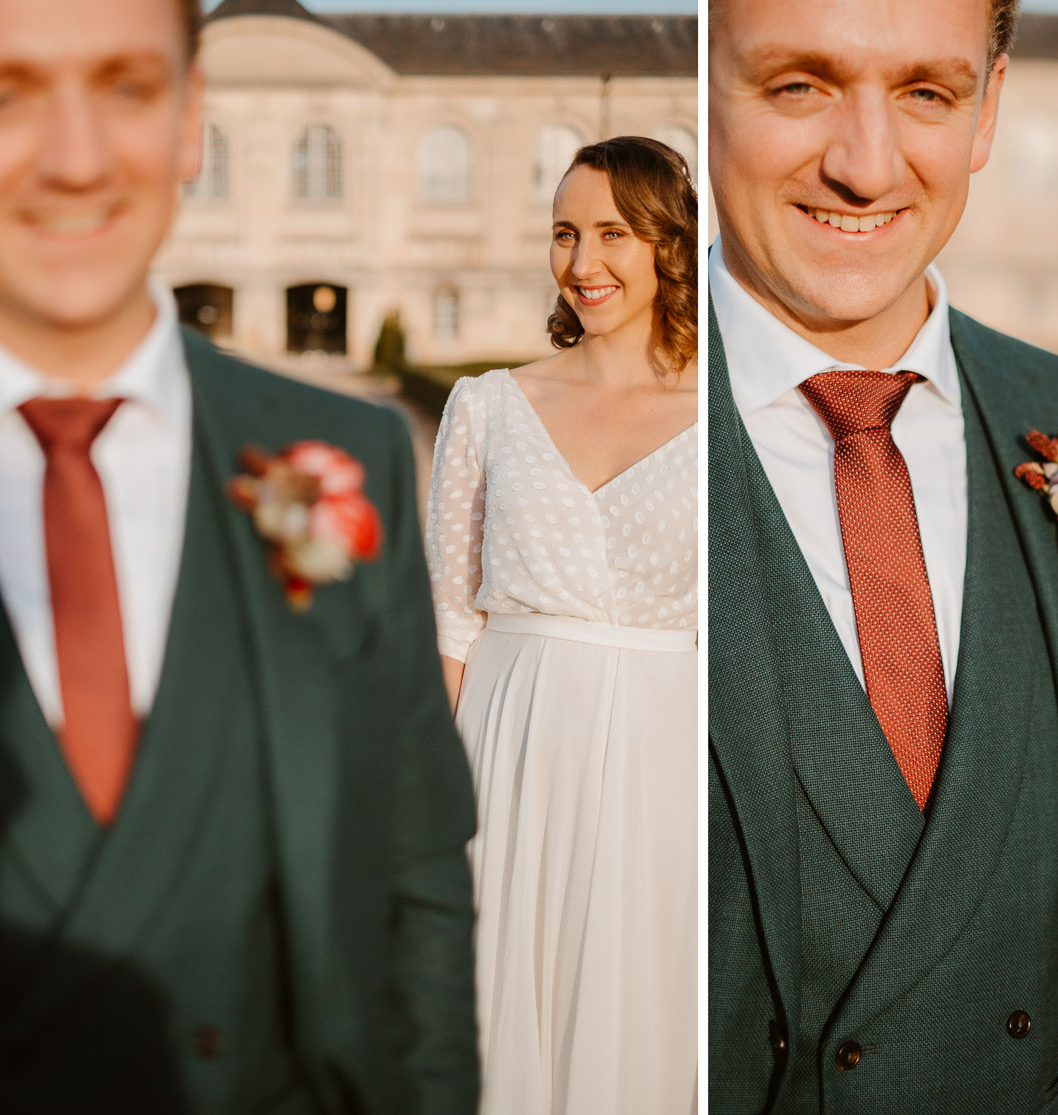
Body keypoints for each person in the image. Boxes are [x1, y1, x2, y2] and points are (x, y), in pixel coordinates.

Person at [0, 0, 479, 1109]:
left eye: (127, 90)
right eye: (2, 96)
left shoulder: (350, 449)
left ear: (193, 114)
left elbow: (414, 868)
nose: (76, 160)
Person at [707, 0, 1058, 1111]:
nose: (865, 166)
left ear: (987, 113)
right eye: (799, 86)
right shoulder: (605, 430)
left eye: (926, 93)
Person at [425, 135, 699, 1114]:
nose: (583, 263)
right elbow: (449, 624)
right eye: (565, 233)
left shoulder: (730, 421)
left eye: (614, 233)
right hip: (505, 755)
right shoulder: (489, 406)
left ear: (670, 241)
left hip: (664, 777)